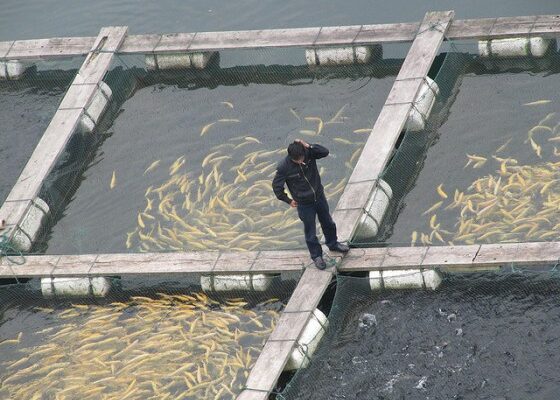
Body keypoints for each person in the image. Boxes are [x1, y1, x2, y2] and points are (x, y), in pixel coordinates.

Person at [272, 139, 349, 269]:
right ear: (291, 158)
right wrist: (288, 200)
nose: (301, 161)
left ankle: (333, 244)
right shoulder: (283, 167)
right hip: (304, 204)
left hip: (319, 197)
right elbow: (277, 187)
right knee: (310, 231)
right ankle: (317, 256)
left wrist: (308, 146)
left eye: (302, 157)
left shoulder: (309, 153)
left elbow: (325, 152)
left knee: (328, 223)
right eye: (298, 160)